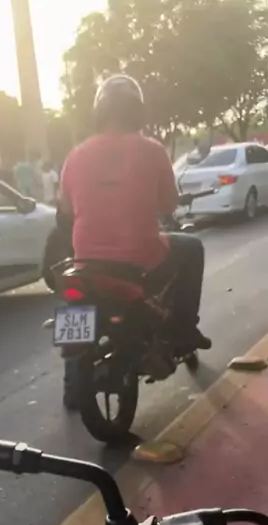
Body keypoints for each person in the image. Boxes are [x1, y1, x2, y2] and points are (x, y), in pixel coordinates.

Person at [58, 74, 211, 407]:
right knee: (192, 248)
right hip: (139, 260)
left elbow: (66, 209)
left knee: (75, 307)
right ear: (137, 110)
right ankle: (184, 329)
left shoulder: (76, 155)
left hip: (86, 263)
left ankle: (71, 385)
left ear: (100, 111)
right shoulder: (152, 150)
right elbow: (168, 205)